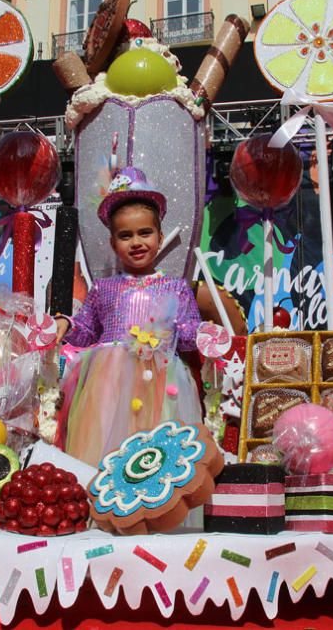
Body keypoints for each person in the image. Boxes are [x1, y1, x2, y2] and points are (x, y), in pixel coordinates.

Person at [54, 167, 203, 466]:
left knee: (157, 449)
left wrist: (200, 335)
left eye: (145, 233)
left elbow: (188, 336)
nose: (136, 242)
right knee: (105, 449)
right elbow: (86, 330)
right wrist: (66, 323)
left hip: (160, 380)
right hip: (106, 382)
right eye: (125, 235)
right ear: (113, 243)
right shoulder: (104, 288)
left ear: (160, 237)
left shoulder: (175, 287)